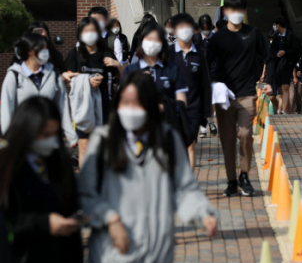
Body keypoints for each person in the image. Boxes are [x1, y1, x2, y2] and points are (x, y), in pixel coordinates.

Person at [78, 71, 218, 263]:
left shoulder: (167, 140)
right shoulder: (102, 140)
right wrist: (110, 219)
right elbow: (85, 194)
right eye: (125, 102)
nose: (130, 109)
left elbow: (184, 189)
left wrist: (203, 214)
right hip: (113, 258)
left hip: (155, 260)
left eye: (137, 103)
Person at [0, 97, 83, 263]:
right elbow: (7, 223)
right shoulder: (7, 169)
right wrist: (44, 223)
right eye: (44, 134)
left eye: (54, 134)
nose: (49, 141)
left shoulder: (58, 164)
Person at [206, 0, 270, 197]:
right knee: (227, 139)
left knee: (245, 134)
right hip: (225, 96)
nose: (236, 14)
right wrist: (212, 85)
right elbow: (208, 64)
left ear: (245, 11)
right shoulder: (219, 37)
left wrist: (268, 81)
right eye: (232, 10)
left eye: (240, 10)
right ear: (225, 12)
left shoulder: (253, 33)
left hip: (247, 93)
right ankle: (232, 181)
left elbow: (267, 56)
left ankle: (244, 175)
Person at [63, 17, 123, 164]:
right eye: (86, 31)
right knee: (84, 146)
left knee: (102, 147)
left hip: (104, 105)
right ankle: (85, 184)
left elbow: (122, 78)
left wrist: (117, 65)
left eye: (93, 31)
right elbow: (69, 78)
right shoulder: (75, 53)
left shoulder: (107, 53)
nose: (89, 34)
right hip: (83, 106)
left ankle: (101, 182)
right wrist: (87, 81)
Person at [2, 33, 77, 147]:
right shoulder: (14, 75)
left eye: (46, 48)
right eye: (42, 48)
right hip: (22, 136)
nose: (46, 51)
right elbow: (7, 108)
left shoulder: (54, 74)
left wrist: (71, 136)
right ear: (30, 50)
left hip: (47, 135)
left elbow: (62, 105)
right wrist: (8, 138)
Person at [169, 13, 213, 168]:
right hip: (172, 109)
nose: (184, 30)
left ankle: (188, 185)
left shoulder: (199, 54)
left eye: (187, 27)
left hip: (194, 109)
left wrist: (207, 112)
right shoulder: (167, 54)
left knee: (190, 146)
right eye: (180, 27)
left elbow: (205, 84)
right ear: (174, 31)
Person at [123, 22, 188, 105]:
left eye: (156, 40)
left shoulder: (172, 69)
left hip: (166, 117)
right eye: (149, 39)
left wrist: (164, 107)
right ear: (142, 41)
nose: (152, 43)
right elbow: (122, 102)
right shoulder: (130, 70)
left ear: (162, 43)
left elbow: (182, 102)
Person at [268, 16, 302, 115]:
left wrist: (285, 52)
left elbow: (297, 50)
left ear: (279, 25)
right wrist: (277, 54)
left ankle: (283, 110)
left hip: (287, 65)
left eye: (275, 25)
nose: (274, 27)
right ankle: (285, 110)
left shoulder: (291, 36)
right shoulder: (276, 37)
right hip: (278, 66)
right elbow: (271, 51)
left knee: (286, 86)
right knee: (281, 89)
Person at [193, 14, 219, 138]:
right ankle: (203, 127)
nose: (206, 30)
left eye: (207, 27)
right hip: (200, 73)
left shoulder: (216, 38)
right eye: (203, 28)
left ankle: (211, 120)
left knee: (212, 99)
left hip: (213, 72)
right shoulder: (196, 38)